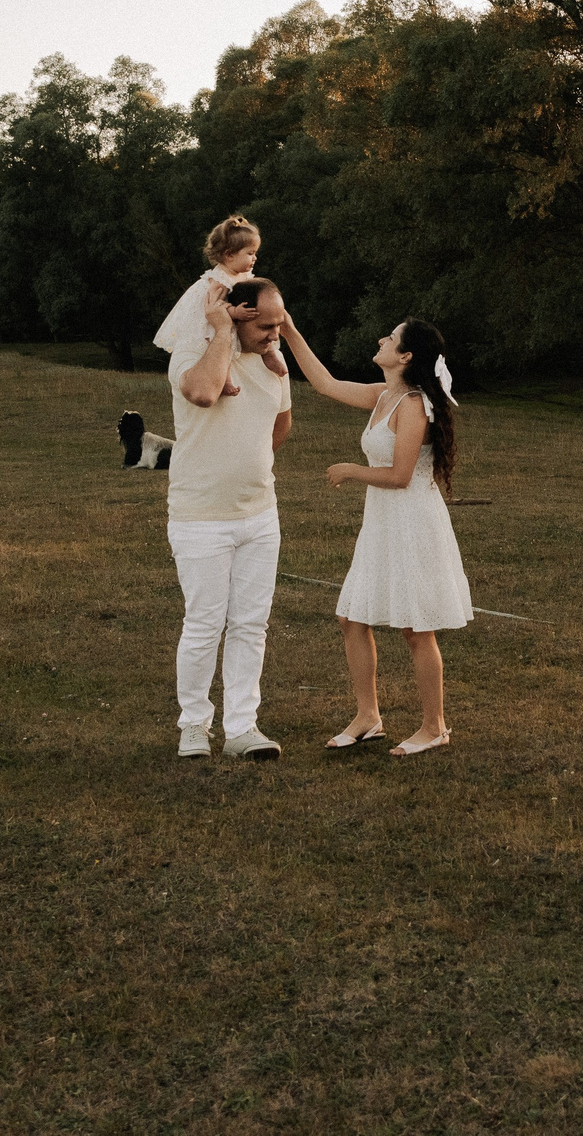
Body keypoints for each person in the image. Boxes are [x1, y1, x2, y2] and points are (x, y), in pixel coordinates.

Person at [275, 309, 472, 757]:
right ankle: (368, 717)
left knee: (415, 628)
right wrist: (288, 329)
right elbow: (325, 383)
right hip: (382, 523)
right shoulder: (384, 395)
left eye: (392, 337)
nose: (381, 338)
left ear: (404, 356)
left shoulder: (413, 405)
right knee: (351, 618)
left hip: (411, 523)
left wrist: (351, 470)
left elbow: (402, 475)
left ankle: (434, 727)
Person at [160, 275, 293, 761]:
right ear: (238, 313)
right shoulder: (194, 353)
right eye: (265, 324)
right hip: (200, 517)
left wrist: (249, 463)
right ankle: (194, 726)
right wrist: (220, 333)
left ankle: (242, 728)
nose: (274, 334)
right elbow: (200, 394)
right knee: (204, 624)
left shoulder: (273, 368)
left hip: (260, 515)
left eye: (280, 324)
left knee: (250, 625)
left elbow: (282, 423)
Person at [151, 215, 290, 395]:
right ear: (229, 255)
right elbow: (215, 308)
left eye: (255, 253)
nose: (255, 258)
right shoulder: (219, 281)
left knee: (264, 330)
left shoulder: (244, 276)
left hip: (231, 318)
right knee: (224, 343)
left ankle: (269, 355)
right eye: (250, 253)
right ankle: (225, 380)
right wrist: (235, 312)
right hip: (213, 321)